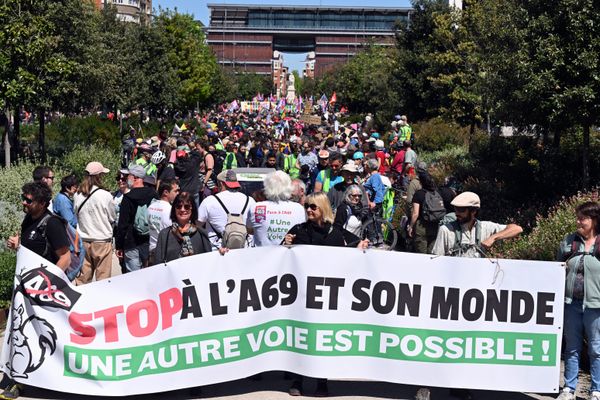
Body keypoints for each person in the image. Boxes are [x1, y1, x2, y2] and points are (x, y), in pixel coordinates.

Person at [284, 192, 368, 397]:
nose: (309, 210)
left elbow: (358, 246)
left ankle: (322, 381)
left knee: (321, 338)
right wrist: (285, 244)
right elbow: (281, 258)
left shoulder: (336, 233)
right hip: (301, 296)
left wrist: (362, 246)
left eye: (314, 207)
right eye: (307, 207)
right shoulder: (298, 230)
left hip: (327, 297)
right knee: (300, 337)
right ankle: (298, 380)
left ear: (323, 208)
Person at [4, 182, 70, 399]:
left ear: (42, 203)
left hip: (45, 291)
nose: (24, 202)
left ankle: (47, 377)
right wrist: (18, 245)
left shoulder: (52, 224)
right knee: (22, 332)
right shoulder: (29, 219)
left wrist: (49, 285)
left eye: (29, 200)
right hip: (26, 289)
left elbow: (65, 258)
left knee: (45, 335)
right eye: (23, 197)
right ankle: (19, 379)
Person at [556, 202, 600, 400]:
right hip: (571, 303)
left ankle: (596, 390)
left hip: (596, 305)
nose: (578, 221)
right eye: (578, 217)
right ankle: (569, 389)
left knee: (596, 349)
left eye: (583, 218)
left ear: (594, 221)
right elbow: (557, 266)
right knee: (571, 347)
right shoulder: (569, 241)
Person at [73, 162, 116, 285]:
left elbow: (77, 214)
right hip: (102, 240)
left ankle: (83, 302)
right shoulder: (106, 195)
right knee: (103, 279)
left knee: (82, 280)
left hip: (84, 239)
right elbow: (112, 217)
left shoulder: (77, 194)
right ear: (99, 176)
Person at [198, 169, 255, 249]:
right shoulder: (250, 201)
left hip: (217, 252)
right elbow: (253, 228)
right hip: (244, 251)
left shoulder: (209, 201)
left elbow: (198, 224)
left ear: (221, 183)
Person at [115, 164, 157, 272]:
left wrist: (119, 246)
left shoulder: (128, 198)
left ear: (135, 177)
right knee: (149, 275)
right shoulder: (153, 194)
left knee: (133, 278)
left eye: (128, 176)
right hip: (149, 242)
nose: (126, 178)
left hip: (131, 243)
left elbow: (122, 225)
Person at [249, 171, 305, 246]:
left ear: (267, 187)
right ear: (288, 187)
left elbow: (249, 229)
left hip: (262, 255)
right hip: (288, 255)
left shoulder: (256, 207)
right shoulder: (299, 208)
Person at [154, 192, 212, 264]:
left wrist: (221, 253)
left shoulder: (201, 233)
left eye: (187, 207)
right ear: (174, 209)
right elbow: (158, 263)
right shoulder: (165, 234)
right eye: (179, 206)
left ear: (192, 209)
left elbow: (209, 260)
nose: (182, 209)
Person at [408, 169, 454, 254]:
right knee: (431, 253)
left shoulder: (419, 194)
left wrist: (410, 226)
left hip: (421, 227)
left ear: (421, 182)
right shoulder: (437, 193)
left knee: (421, 254)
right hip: (435, 225)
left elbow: (415, 214)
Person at [148, 179, 180, 264]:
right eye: (175, 191)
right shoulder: (170, 211)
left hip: (152, 250)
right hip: (166, 253)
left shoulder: (151, 207)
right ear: (166, 192)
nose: (178, 193)